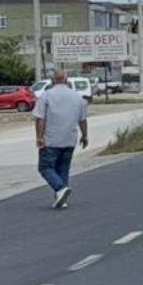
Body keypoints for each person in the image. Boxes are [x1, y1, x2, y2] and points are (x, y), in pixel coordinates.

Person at [33, 69, 88, 209]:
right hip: (69, 139)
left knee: (45, 167)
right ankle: (62, 198)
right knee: (63, 169)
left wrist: (39, 136)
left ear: (52, 80)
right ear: (66, 79)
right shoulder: (77, 97)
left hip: (51, 139)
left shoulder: (46, 95)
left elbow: (40, 118)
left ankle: (60, 188)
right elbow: (82, 119)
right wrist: (85, 135)